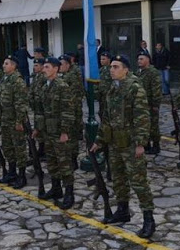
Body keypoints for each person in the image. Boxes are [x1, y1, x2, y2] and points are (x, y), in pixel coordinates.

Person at [90, 55, 155, 238]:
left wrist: (141, 143)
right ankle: (122, 210)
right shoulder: (113, 89)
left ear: (126, 70)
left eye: (116, 67)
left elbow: (142, 118)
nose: (112, 69)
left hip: (131, 143)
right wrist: (99, 140)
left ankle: (149, 219)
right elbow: (107, 119)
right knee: (118, 179)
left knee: (138, 181)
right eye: (111, 66)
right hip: (115, 144)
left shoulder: (135, 88)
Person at [33, 57, 75, 209]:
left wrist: (65, 131)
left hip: (59, 131)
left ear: (56, 69)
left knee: (64, 162)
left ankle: (69, 193)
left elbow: (67, 111)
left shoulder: (62, 86)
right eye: (43, 67)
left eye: (47, 67)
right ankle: (56, 188)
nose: (44, 69)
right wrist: (38, 128)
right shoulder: (45, 86)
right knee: (51, 161)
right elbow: (41, 110)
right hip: (47, 131)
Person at [0, 56, 29, 188]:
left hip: (15, 121)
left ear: (13, 66)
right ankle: (12, 173)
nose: (3, 66)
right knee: (8, 147)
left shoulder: (18, 82)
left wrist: (19, 121)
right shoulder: (3, 80)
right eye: (4, 63)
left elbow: (21, 104)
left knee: (19, 149)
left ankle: (22, 176)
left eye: (6, 64)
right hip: (5, 120)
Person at [136, 53, 162, 154]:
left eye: (141, 59)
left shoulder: (153, 72)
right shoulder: (139, 72)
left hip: (150, 103)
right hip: (141, 104)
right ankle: (146, 145)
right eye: (138, 59)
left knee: (153, 125)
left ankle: (156, 145)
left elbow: (156, 89)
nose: (139, 61)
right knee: (143, 125)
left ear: (148, 60)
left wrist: (155, 104)